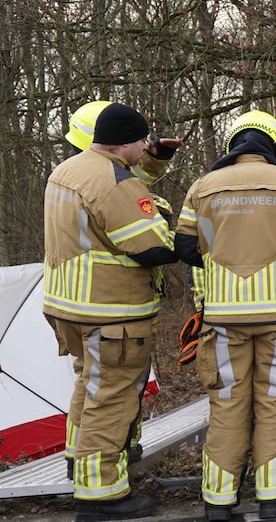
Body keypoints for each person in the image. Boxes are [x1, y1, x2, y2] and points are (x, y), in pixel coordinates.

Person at [175, 110, 276, 521]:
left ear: (233, 144)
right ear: (274, 146)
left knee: (227, 403)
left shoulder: (202, 186)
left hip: (224, 318)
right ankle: (275, 495)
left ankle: (218, 499)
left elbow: (185, 248)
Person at [43, 102, 177, 521]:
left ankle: (79, 461)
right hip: (112, 311)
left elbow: (112, 200)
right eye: (141, 142)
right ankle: (101, 494)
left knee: (89, 386)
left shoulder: (68, 170)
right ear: (123, 143)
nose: (144, 148)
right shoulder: (116, 182)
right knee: (112, 399)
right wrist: (174, 229)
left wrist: (152, 167)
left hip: (69, 307)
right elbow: (152, 247)